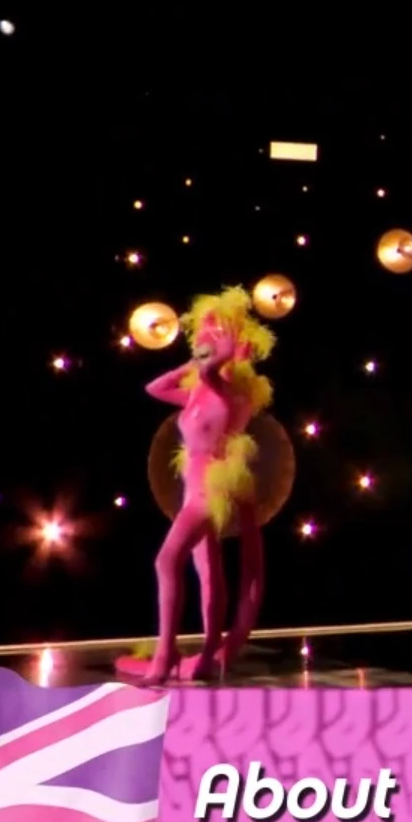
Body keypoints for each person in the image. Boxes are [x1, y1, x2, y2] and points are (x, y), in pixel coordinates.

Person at [117, 287, 274, 686]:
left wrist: (214, 357)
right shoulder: (200, 391)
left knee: (166, 560)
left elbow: (212, 373)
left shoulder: (236, 392)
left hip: (213, 490)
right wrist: (192, 361)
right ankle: (207, 656)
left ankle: (165, 654)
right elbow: (153, 388)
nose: (205, 347)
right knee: (207, 572)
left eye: (213, 340)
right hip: (194, 487)